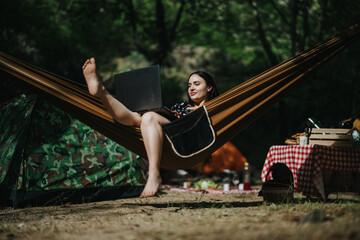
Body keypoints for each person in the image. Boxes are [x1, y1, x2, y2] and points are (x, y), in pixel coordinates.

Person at [82, 57, 219, 198]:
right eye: (189, 85)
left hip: (182, 136)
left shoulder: (212, 111)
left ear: (209, 88)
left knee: (148, 117)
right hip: (166, 129)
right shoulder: (182, 106)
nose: (191, 88)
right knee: (138, 118)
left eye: (196, 84)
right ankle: (102, 92)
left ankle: (153, 173)